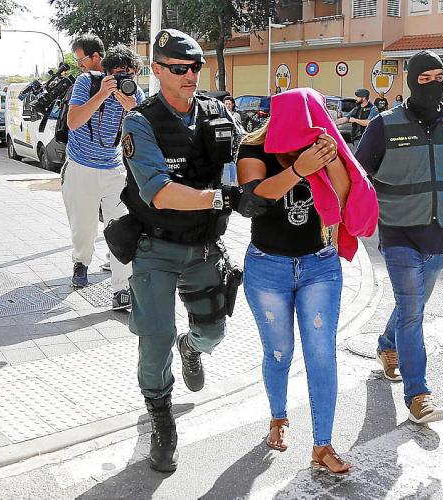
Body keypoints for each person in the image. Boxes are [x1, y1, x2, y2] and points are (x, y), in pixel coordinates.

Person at [119, 29, 271, 472]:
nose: (190, 75)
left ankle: (192, 348)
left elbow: (252, 148)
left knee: (213, 333)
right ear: (157, 70)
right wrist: (225, 198)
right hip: (156, 247)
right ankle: (161, 418)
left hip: (205, 247)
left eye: (196, 67)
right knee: (155, 339)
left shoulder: (217, 113)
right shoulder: (140, 122)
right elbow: (160, 192)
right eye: (179, 68)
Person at [238, 87, 377, 475]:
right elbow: (253, 199)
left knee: (321, 354)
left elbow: (344, 199)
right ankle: (278, 417)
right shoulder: (254, 147)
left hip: (320, 265)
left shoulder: (322, 146)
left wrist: (331, 159)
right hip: (268, 268)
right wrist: (298, 169)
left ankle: (323, 444)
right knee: (279, 352)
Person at [355, 50, 443, 424]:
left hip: (439, 234)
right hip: (398, 233)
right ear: (412, 82)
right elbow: (358, 176)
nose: (434, 85)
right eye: (425, 78)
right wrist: (346, 224)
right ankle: (418, 394)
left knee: (411, 307)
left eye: (440, 77)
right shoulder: (384, 125)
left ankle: (387, 345)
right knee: (413, 311)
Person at [63, 39, 146, 310]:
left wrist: (132, 109)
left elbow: (147, 132)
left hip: (114, 170)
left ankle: (122, 289)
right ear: (107, 72)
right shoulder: (87, 82)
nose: (124, 80)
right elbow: (73, 121)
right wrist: (101, 94)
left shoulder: (134, 94)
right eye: (119, 74)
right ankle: (81, 261)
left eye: (130, 74)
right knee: (83, 226)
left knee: (121, 228)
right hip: (81, 167)